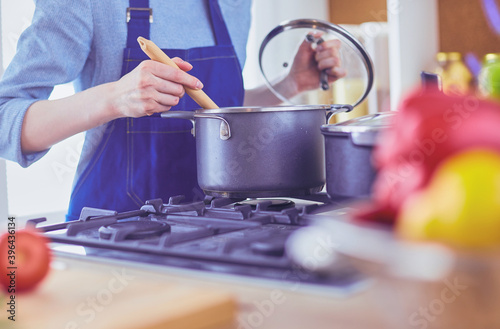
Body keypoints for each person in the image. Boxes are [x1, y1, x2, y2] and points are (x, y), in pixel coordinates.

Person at [0, 0, 345, 221]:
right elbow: (6, 117)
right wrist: (114, 98)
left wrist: (290, 85)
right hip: (118, 236)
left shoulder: (235, 5)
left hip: (223, 232)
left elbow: (219, 114)